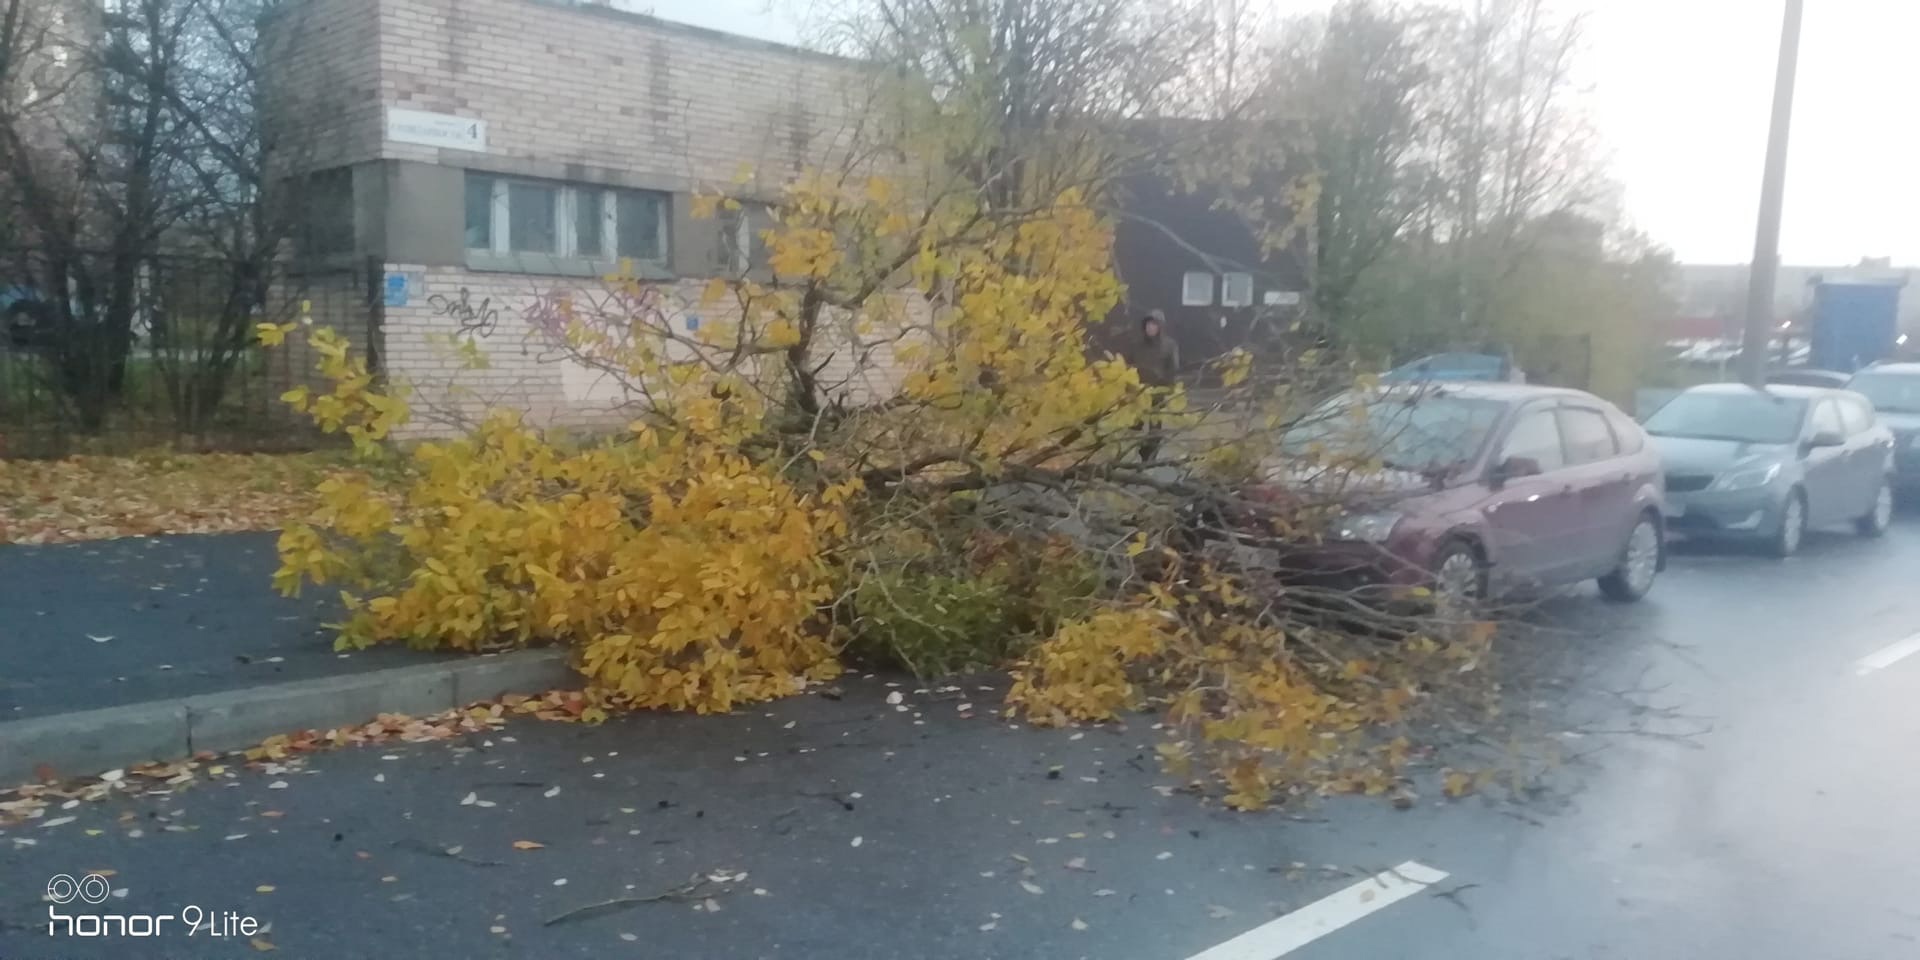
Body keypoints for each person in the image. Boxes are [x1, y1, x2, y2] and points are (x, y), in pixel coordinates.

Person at [1132, 310, 1179, 462]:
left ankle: (1149, 456)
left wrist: (1168, 387)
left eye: (1153, 325)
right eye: (1148, 324)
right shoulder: (1138, 345)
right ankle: (1134, 452)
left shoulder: (1169, 345)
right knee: (1134, 425)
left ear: (1160, 327)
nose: (1150, 328)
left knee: (1155, 427)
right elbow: (1130, 365)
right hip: (1138, 391)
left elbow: (1172, 368)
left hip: (1158, 391)